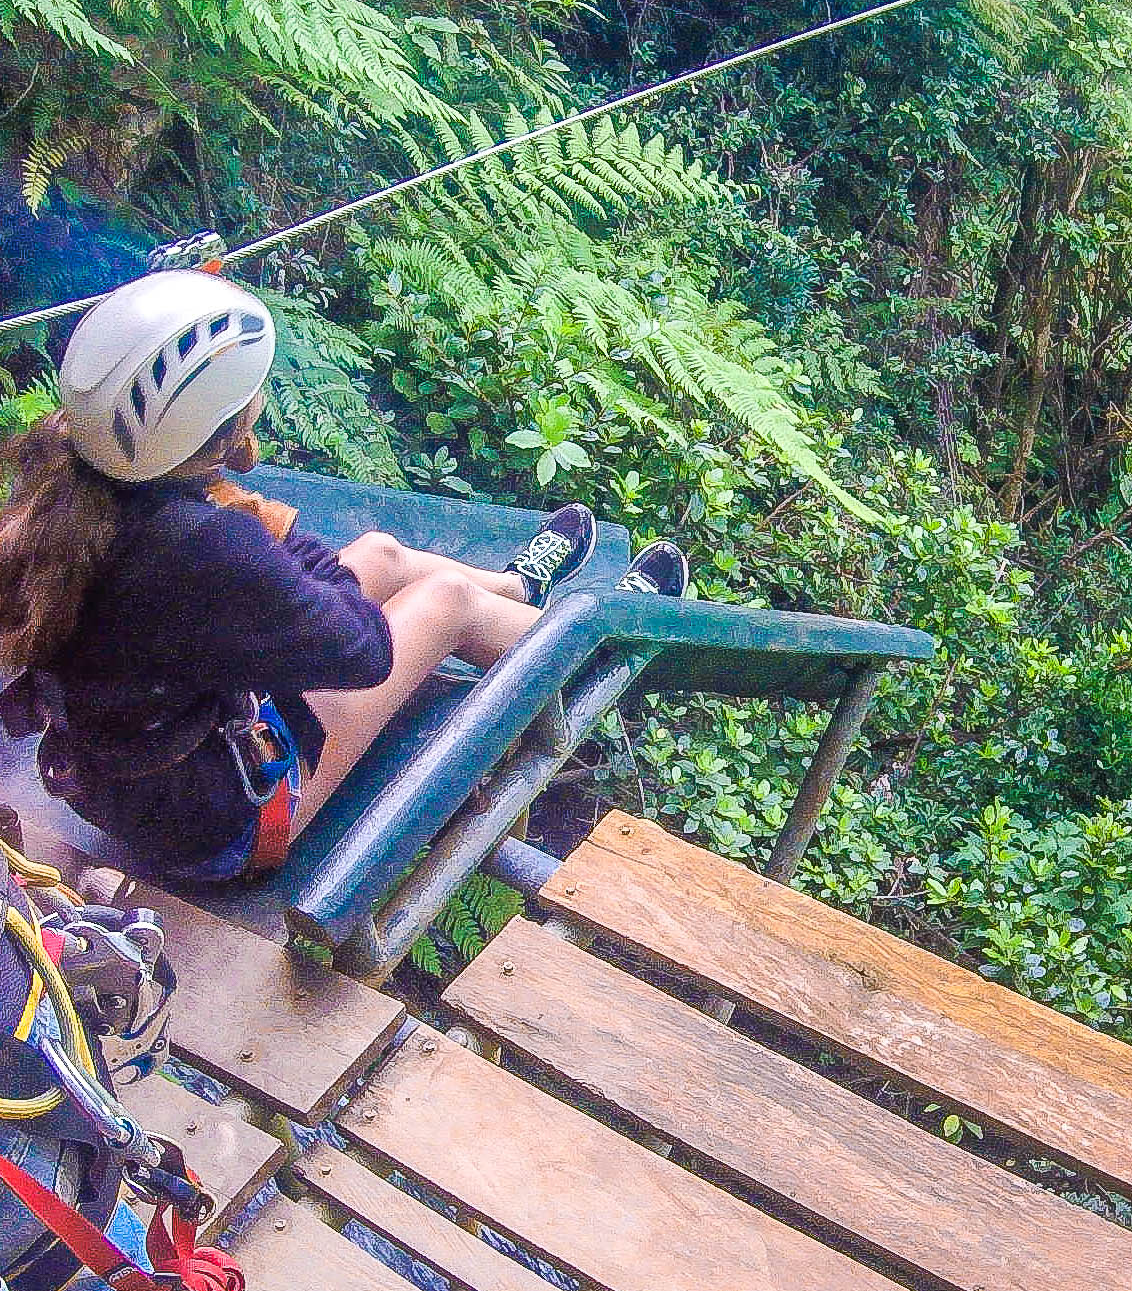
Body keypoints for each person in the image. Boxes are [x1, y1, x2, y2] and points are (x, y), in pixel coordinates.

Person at [0, 271, 688, 885]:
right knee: (445, 603)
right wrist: (269, 531)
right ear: (222, 430)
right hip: (219, 831)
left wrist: (245, 523)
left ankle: (516, 591)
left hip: (136, 779)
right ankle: (601, 642)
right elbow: (364, 649)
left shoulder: (67, 478)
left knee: (380, 555)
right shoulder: (205, 546)